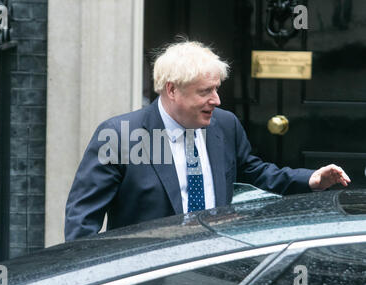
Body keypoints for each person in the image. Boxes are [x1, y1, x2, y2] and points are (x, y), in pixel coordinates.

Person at [65, 40, 351, 241]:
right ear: (172, 90)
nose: (216, 100)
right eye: (205, 91)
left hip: (213, 266)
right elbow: (83, 219)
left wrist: (311, 179)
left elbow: (255, 172)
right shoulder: (120, 135)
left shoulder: (224, 124)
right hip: (145, 276)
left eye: (216, 89)